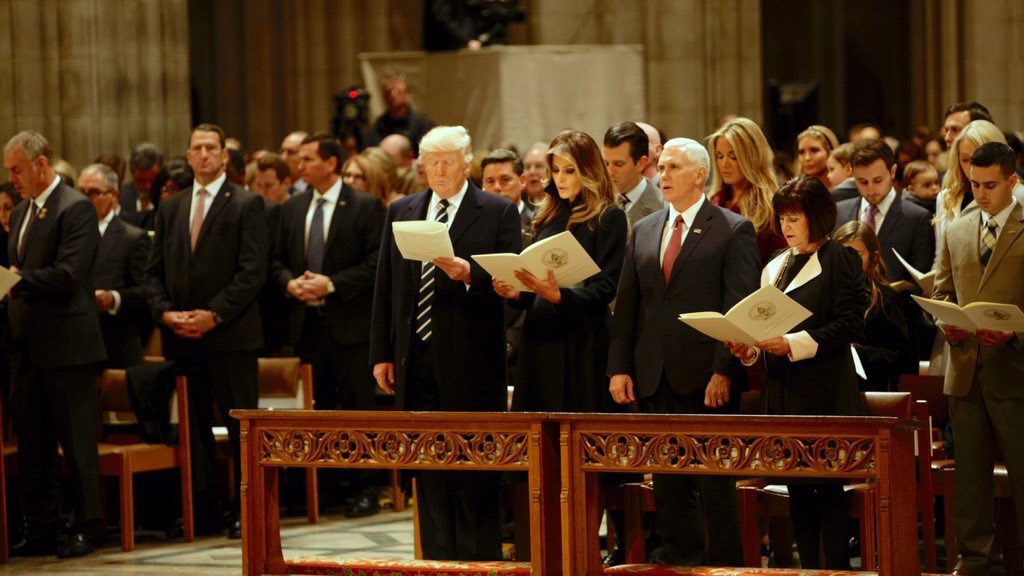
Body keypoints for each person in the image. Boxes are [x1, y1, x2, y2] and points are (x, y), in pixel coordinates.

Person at [369, 125, 521, 560]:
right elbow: (387, 287)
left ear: (466, 163)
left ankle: (479, 563)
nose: (438, 170)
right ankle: (436, 562)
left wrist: (470, 274)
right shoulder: (403, 209)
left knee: (473, 471)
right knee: (427, 469)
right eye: (430, 161)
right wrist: (382, 353)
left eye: (447, 161)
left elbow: (512, 284)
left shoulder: (496, 212)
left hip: (471, 360)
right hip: (415, 357)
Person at [608, 137, 759, 565]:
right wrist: (619, 368)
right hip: (654, 375)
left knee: (715, 488)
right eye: (662, 167)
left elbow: (738, 307)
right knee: (670, 487)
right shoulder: (645, 228)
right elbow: (629, 306)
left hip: (706, 376)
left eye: (673, 167)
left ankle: (727, 569)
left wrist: (724, 370)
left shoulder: (732, 228)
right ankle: (683, 565)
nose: (663, 175)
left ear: (699, 174)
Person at [727, 175, 866, 569]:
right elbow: (763, 335)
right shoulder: (774, 267)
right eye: (782, 218)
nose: (785, 227)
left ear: (817, 216)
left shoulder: (841, 258)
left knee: (828, 489)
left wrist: (793, 344)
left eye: (794, 218)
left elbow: (851, 324)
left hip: (826, 393)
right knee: (797, 491)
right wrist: (748, 350)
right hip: (783, 392)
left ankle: (836, 568)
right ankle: (807, 568)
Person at [145, 123, 267, 538]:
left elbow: (252, 273)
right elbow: (153, 273)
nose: (203, 155)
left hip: (230, 336)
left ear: (224, 155)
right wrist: (166, 315)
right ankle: (205, 508)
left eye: (211, 148)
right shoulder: (172, 207)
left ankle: (244, 510)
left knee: (240, 431)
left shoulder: (246, 203)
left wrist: (212, 315)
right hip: (182, 337)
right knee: (194, 430)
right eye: (196, 148)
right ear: (189, 153)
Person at [4, 130, 107, 558]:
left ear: (41, 164)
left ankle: (89, 525)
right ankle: (42, 527)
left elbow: (69, 274)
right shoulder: (26, 211)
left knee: (78, 443)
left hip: (69, 347)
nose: (12, 179)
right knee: (35, 444)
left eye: (17, 169)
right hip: (28, 346)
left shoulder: (75, 207)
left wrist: (16, 280)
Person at [273, 133, 385, 517]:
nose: (299, 165)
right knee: (318, 411)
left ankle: (367, 486)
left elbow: (375, 266)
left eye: (307, 159)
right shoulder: (293, 206)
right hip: (306, 325)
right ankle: (328, 485)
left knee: (357, 409)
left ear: (331, 163)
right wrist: (289, 282)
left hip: (349, 325)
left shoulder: (365, 206)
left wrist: (332, 284)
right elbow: (275, 260)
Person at [932, 142, 1024, 576]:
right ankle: (974, 562)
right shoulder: (957, 229)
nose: (981, 193)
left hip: (1016, 370)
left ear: (1012, 181)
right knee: (970, 481)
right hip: (966, 368)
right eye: (974, 184)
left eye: (990, 185)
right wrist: (946, 322)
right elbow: (943, 290)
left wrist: (1014, 333)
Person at [493, 131, 627, 413]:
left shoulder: (608, 217)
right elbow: (537, 288)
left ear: (588, 171)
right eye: (555, 170)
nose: (560, 178)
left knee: (576, 432)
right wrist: (517, 294)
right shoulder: (547, 216)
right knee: (537, 430)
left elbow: (606, 287)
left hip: (582, 339)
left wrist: (560, 296)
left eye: (569, 170)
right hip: (540, 334)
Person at [835, 138, 934, 285]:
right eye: (862, 181)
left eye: (878, 180)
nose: (871, 189)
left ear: (892, 172)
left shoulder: (917, 218)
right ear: (852, 173)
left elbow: (921, 285)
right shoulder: (839, 212)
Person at [80, 163, 151, 369]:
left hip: (115, 341)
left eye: (93, 192)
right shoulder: (66, 235)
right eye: (81, 192)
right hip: (76, 342)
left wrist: (114, 299)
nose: (85, 199)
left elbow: (147, 292)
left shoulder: (133, 238)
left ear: (114, 195)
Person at [833, 221, 913, 391]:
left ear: (873, 257)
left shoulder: (886, 298)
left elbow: (903, 357)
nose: (850, 261)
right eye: (844, 253)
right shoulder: (824, 293)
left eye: (858, 254)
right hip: (830, 386)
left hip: (870, 387)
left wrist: (859, 352)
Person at [707, 117, 787, 265]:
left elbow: (782, 261)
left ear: (752, 156)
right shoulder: (714, 201)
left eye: (733, 156)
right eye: (719, 156)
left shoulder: (772, 204)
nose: (724, 164)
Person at [602, 122, 663, 228]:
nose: (610, 172)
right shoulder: (597, 204)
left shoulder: (663, 206)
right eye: (606, 163)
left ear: (641, 163)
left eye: (619, 164)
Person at [369, 75, 435, 153]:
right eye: (389, 92)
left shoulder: (422, 123)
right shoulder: (379, 124)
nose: (393, 95)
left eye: (398, 92)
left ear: (407, 95)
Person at [119, 142, 163, 217]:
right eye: (141, 181)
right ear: (132, 173)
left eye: (153, 180)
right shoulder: (120, 197)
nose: (148, 186)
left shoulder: (169, 197)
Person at [280, 130, 310, 195]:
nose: (283, 158)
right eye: (282, 151)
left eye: (290, 152)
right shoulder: (275, 186)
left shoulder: (317, 188)